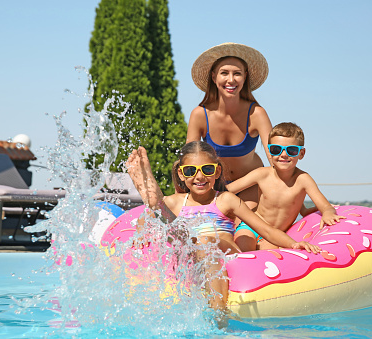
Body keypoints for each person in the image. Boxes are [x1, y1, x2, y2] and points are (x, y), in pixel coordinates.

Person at [126, 141, 321, 312]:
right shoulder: (176, 202)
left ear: (217, 171)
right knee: (176, 232)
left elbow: (266, 230)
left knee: (203, 240)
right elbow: (146, 220)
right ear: (181, 174)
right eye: (190, 171)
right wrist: (141, 234)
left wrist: (295, 244)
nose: (199, 177)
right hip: (188, 250)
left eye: (207, 170)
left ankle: (219, 314)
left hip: (223, 249)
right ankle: (153, 203)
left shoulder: (225, 199)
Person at [227, 122, 346, 252]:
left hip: (276, 235)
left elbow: (324, 207)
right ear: (269, 152)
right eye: (276, 149)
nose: (283, 154)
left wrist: (328, 213)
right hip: (250, 227)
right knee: (243, 253)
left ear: (301, 153)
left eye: (292, 150)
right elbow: (226, 191)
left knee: (268, 259)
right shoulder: (261, 174)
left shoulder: (303, 180)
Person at [187, 43, 272, 210]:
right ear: (213, 77)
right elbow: (188, 161)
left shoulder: (257, 114)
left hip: (250, 187)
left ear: (245, 77)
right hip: (214, 188)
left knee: (241, 223)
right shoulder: (199, 115)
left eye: (237, 74)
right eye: (224, 73)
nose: (231, 80)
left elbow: (277, 160)